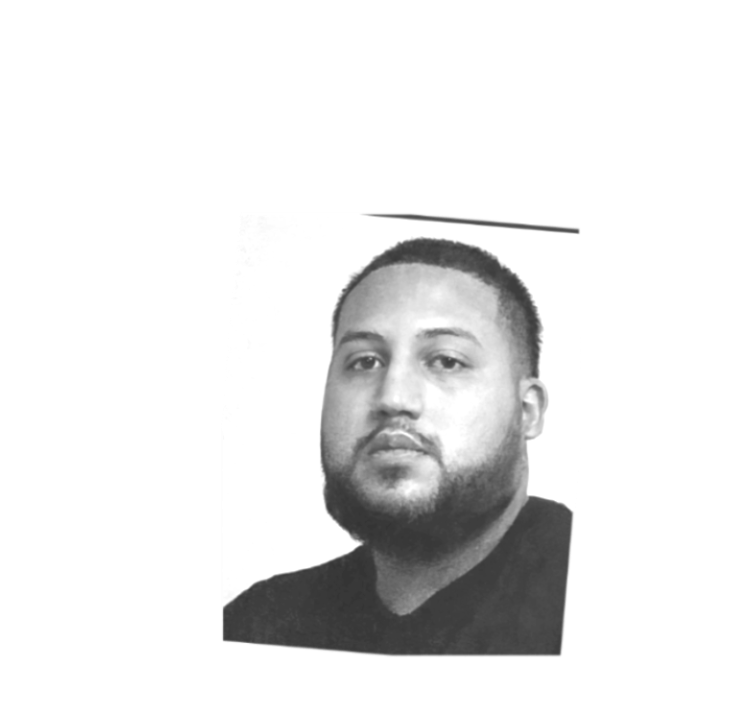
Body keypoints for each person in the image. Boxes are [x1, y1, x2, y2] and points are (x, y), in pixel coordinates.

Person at [222, 237, 575, 657]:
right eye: (365, 361)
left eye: (446, 361)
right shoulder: (260, 621)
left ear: (527, 410)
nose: (393, 398)